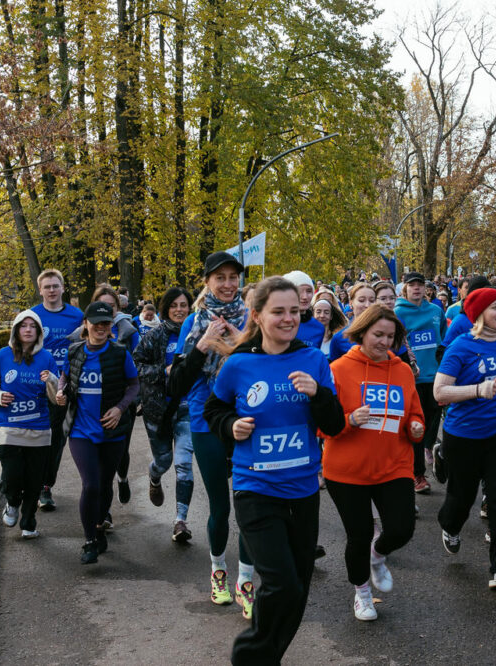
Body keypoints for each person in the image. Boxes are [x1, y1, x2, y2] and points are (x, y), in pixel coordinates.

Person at [203, 277, 345, 664]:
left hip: (302, 490)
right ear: (258, 316)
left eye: (294, 312)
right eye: (278, 312)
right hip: (256, 488)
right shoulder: (239, 364)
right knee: (281, 584)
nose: (288, 319)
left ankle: (266, 658)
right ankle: (249, 656)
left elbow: (334, 426)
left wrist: (319, 395)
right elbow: (213, 411)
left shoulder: (314, 360)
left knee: (297, 589)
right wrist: (230, 425)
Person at [324, 305, 424, 620]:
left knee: (402, 528)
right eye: (377, 334)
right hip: (346, 470)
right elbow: (321, 424)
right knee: (359, 533)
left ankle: (378, 556)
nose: (383, 342)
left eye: (390, 337)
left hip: (393, 465)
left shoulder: (403, 370)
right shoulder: (339, 369)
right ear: (362, 331)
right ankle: (362, 594)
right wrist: (350, 419)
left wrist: (416, 427)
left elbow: (414, 414)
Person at [169, 252, 255, 613]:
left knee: (249, 504)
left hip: (249, 420)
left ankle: (246, 580)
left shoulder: (252, 319)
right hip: (207, 420)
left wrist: (241, 342)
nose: (227, 283)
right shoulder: (193, 320)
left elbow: (263, 365)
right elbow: (175, 385)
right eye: (219, 277)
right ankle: (218, 570)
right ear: (206, 281)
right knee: (221, 506)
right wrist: (203, 343)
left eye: (233, 276)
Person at [434, 287, 496, 589]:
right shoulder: (461, 347)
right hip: (463, 435)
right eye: (494, 308)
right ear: (478, 314)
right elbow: (440, 392)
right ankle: (450, 526)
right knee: (461, 498)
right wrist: (477, 390)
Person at [55, 301, 140, 564]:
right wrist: (60, 391)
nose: (101, 328)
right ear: (86, 325)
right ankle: (89, 540)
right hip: (81, 430)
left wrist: (120, 409)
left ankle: (100, 527)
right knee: (90, 485)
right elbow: (66, 377)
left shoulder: (119, 353)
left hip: (112, 432)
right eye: (96, 323)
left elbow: (134, 384)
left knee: (104, 486)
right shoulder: (75, 351)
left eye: (106, 324)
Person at [0, 310, 59, 538]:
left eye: (32, 326)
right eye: (23, 325)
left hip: (39, 430)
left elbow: (55, 396)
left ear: (38, 332)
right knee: (13, 475)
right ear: (16, 330)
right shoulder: (2, 356)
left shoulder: (46, 358)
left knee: (35, 481)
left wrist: (52, 381)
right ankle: (12, 501)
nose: (27, 330)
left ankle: (29, 521)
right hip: (9, 428)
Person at [132, 287, 196, 541]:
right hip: (158, 409)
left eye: (184, 305)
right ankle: (154, 476)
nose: (180, 310)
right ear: (166, 309)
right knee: (165, 461)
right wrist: (164, 371)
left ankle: (181, 520)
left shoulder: (198, 336)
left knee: (183, 465)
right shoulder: (154, 336)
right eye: (174, 306)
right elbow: (136, 366)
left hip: (188, 409)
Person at [31, 269, 84, 510]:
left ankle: (44, 486)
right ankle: (27, 481)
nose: (51, 290)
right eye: (47, 287)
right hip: (37, 387)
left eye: (55, 286)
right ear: (40, 289)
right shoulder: (32, 316)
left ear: (63, 288)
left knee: (56, 439)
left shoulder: (76, 316)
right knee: (35, 438)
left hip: (65, 387)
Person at [394, 272, 447, 494]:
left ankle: (429, 448)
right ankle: (418, 475)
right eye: (412, 285)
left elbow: (442, 338)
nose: (416, 288)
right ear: (404, 289)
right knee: (416, 425)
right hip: (411, 378)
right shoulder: (398, 313)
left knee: (434, 419)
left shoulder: (436, 311)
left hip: (436, 377)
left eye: (420, 285)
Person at [88, 284, 140, 509]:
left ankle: (123, 478)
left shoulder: (128, 332)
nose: (107, 310)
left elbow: (139, 365)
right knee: (98, 460)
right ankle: (104, 513)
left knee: (119, 453)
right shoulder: (86, 330)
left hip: (122, 403)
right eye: (102, 305)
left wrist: (129, 401)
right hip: (93, 404)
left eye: (111, 306)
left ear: (118, 308)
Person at [330, 283, 377, 361]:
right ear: (351, 303)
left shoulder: (388, 333)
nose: (367, 305)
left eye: (372, 300)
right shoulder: (339, 338)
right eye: (361, 300)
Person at [284, 270, 325, 348]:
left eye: (309, 291)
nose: (305, 297)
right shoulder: (278, 323)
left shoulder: (318, 327)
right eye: (299, 291)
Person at [311, 289, 348, 358]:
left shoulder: (339, 337)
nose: (322, 315)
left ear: (331, 316)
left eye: (326, 312)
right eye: (318, 312)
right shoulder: (306, 336)